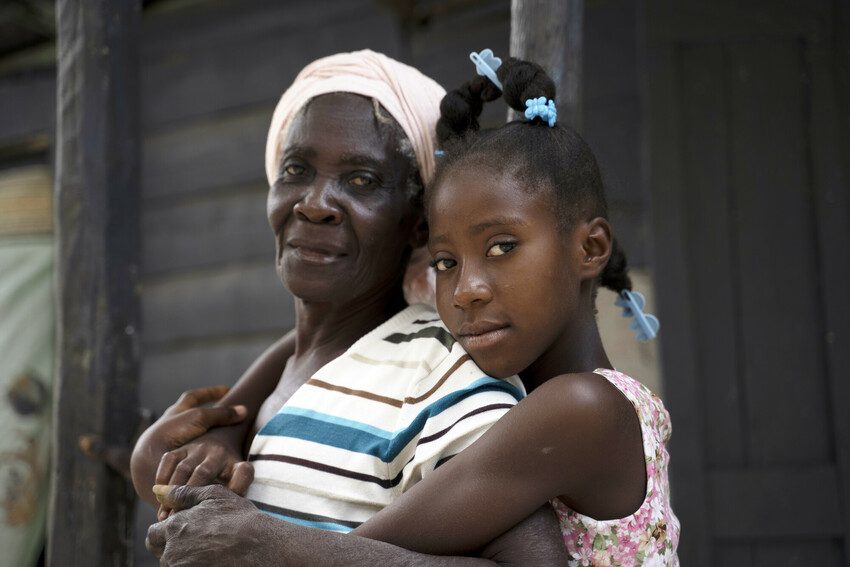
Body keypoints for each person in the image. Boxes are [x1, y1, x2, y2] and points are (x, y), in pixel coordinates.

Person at [146, 56, 679, 566]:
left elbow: (351, 548)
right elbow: (308, 347)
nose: (467, 289)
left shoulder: (579, 406)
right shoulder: (549, 395)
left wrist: (266, 546)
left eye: (502, 248)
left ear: (589, 249)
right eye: (446, 261)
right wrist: (224, 427)